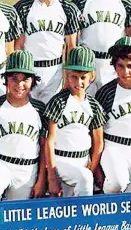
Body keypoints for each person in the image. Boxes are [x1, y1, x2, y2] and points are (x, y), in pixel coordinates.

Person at [0, 50, 48, 202]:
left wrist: (41, 180)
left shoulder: (40, 109)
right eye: (14, 79)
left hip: (27, 169)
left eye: (25, 79)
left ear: (33, 81)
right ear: (5, 79)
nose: (19, 84)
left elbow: (44, 148)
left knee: (18, 215)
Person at [14, 0, 79, 103]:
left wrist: (67, 77)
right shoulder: (23, 7)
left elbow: (71, 47)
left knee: (51, 118)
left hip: (55, 72)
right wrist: (19, 76)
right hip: (28, 71)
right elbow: (18, 46)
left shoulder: (68, 8)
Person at [95, 37, 131, 193]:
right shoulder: (106, 92)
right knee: (117, 184)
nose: (125, 71)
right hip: (113, 146)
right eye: (120, 66)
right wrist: (97, 168)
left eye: (130, 66)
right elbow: (95, 131)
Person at [44, 46, 105, 197]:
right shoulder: (58, 102)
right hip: (61, 160)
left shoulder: (94, 106)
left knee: (70, 204)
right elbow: (49, 141)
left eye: (83, 77)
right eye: (74, 76)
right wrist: (51, 176)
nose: (78, 82)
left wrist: (92, 168)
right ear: (66, 75)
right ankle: (85, 221)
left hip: (83, 160)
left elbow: (99, 143)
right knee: (83, 178)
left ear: (92, 76)